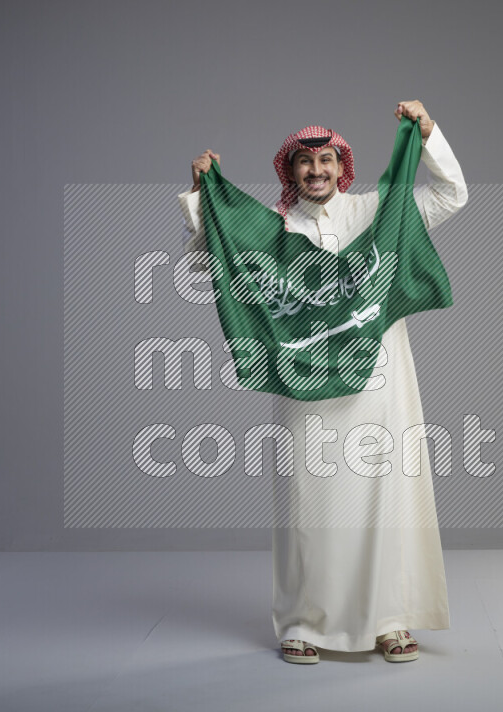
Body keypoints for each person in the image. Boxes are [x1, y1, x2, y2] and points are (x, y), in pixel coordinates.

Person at [178, 100, 468, 663]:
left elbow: (452, 196)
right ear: (290, 173)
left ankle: (389, 619)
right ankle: (302, 624)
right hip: (302, 387)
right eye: (305, 164)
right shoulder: (272, 227)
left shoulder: (377, 211)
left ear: (343, 166)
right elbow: (202, 265)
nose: (317, 172)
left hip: (379, 387)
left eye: (326, 161)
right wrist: (201, 198)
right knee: (308, 508)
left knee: (384, 500)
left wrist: (428, 134)